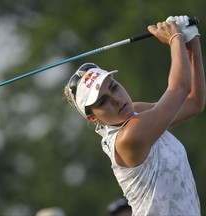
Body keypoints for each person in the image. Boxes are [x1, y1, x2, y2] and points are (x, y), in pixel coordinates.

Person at [64, 15, 205, 215]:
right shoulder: (128, 137)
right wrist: (175, 39)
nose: (116, 99)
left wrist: (192, 41)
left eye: (113, 87)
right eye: (102, 101)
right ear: (93, 118)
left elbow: (194, 102)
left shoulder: (138, 112)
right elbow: (180, 87)